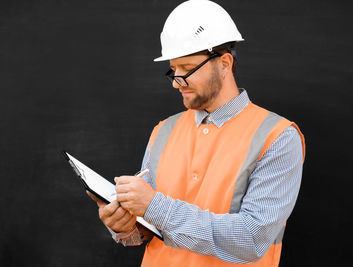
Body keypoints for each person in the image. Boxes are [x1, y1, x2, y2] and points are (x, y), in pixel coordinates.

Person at [87, 0, 305, 266]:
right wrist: (124, 226)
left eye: (187, 68)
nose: (177, 82)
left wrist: (154, 205)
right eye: (173, 70)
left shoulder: (278, 137)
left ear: (224, 64)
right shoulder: (163, 130)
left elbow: (251, 238)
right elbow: (148, 229)